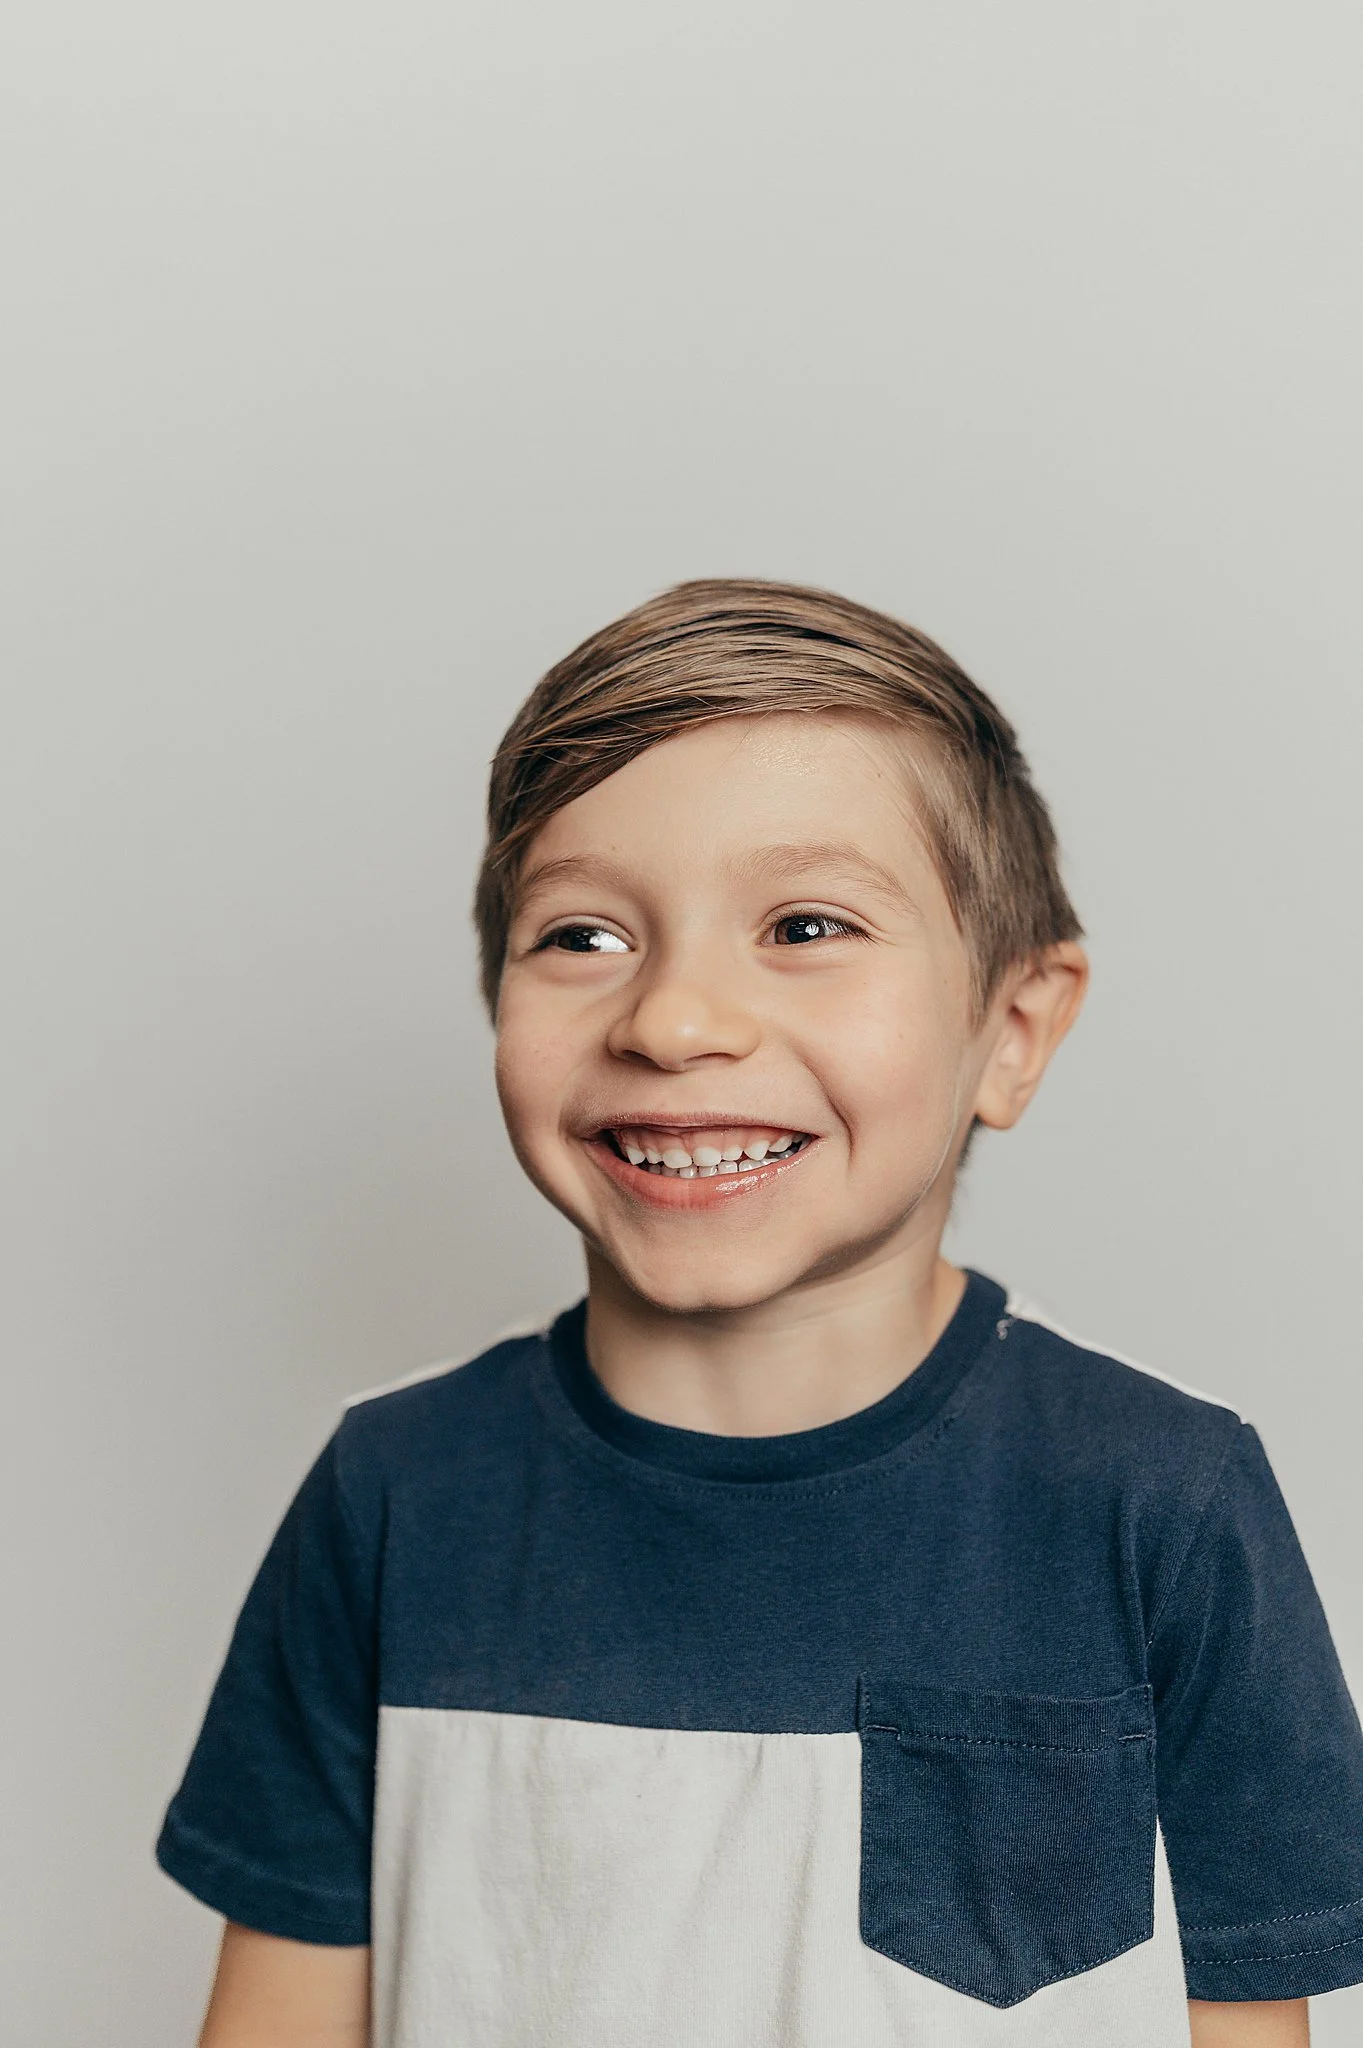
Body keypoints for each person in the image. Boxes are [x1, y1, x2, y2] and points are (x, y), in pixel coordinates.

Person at [159, 580, 1363, 2048]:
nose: (671, 1021)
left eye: (803, 924)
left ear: (1013, 1029)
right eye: (583, 937)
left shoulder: (1159, 1501)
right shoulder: (395, 1495)